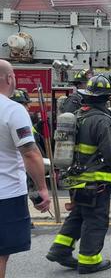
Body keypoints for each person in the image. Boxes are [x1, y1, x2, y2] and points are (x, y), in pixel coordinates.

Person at [46, 74, 111, 274]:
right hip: (95, 182)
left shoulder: (78, 116)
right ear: (107, 98)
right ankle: (89, 260)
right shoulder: (102, 121)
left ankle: (60, 249)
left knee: (78, 216)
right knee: (96, 220)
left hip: (76, 180)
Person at [0, 60, 51, 278]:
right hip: (5, 194)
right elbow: (30, 152)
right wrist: (42, 188)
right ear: (9, 79)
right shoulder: (12, 110)